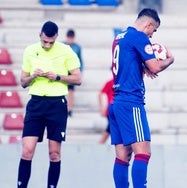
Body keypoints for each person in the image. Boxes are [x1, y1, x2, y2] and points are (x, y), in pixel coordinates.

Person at [109, 8, 174, 188]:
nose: (152, 36)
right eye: (153, 31)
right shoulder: (139, 37)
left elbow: (125, 65)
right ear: (149, 24)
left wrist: (141, 68)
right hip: (131, 102)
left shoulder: (119, 38)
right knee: (143, 153)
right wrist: (169, 60)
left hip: (116, 102)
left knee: (122, 156)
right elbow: (155, 67)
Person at [17, 21, 82, 188]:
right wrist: (33, 76)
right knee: (27, 150)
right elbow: (23, 82)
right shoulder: (30, 50)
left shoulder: (66, 50)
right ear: (40, 35)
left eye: (51, 42)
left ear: (56, 38)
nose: (47, 45)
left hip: (57, 104)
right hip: (36, 102)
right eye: (45, 41)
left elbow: (78, 78)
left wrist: (58, 77)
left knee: (54, 153)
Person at [64, 29, 83, 117]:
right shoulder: (62, 46)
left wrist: (81, 71)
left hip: (72, 73)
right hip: (63, 72)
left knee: (71, 91)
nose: (70, 40)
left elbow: (80, 60)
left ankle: (70, 109)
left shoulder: (77, 47)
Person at [98, 77, 114, 144]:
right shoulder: (110, 82)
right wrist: (102, 108)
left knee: (111, 128)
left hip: (119, 109)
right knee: (110, 128)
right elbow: (100, 94)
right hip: (111, 110)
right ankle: (100, 144)